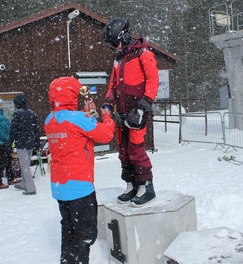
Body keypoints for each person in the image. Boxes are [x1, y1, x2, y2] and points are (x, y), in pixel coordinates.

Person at [44, 77, 115, 264]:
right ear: (72, 96)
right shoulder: (78, 119)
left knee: (68, 229)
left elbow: (72, 129)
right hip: (80, 187)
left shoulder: (50, 119)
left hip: (60, 186)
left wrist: (87, 113)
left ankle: (66, 260)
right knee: (86, 234)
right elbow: (106, 134)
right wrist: (107, 115)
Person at [102, 17, 159, 206]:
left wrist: (145, 104)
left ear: (124, 36)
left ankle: (146, 186)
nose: (114, 47)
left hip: (137, 111)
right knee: (124, 151)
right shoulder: (119, 59)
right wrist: (108, 102)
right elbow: (113, 84)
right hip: (122, 113)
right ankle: (131, 184)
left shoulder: (143, 53)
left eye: (115, 42)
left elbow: (152, 79)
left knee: (136, 149)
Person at [9, 94, 40, 195]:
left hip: (21, 144)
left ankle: (31, 189)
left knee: (24, 166)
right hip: (30, 144)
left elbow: (13, 130)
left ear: (17, 104)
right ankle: (23, 183)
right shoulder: (32, 114)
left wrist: (10, 143)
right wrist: (37, 143)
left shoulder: (17, 114)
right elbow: (36, 130)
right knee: (26, 165)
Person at [0, 99, 14, 189]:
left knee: (8, 160)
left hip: (5, 142)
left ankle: (10, 178)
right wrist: (7, 138)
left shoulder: (2, 114)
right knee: (1, 162)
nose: (1, 105)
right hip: (2, 142)